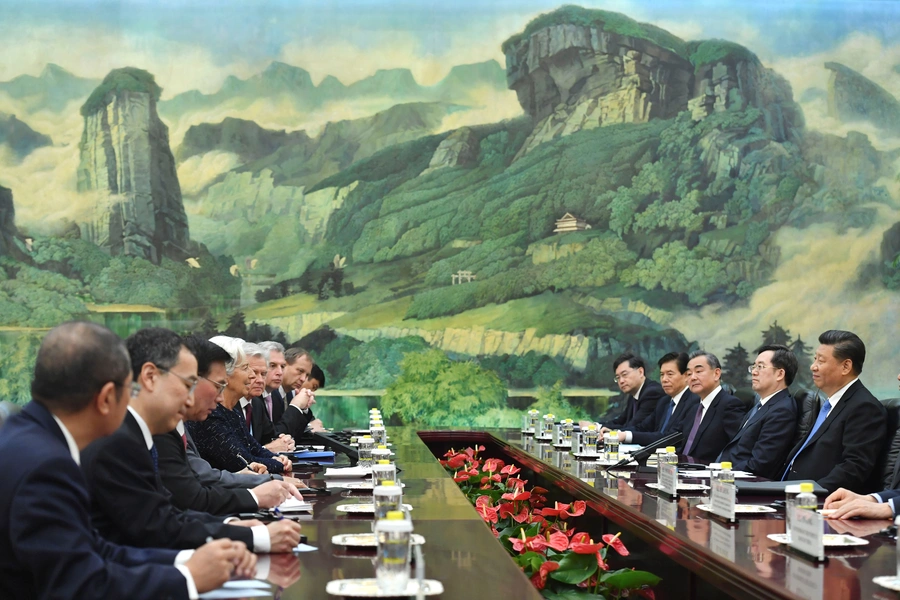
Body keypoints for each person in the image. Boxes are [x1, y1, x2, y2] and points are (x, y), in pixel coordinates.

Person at [0, 321, 255, 599]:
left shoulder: (27, 438)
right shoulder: (47, 466)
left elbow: (94, 549)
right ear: (108, 396)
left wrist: (184, 565)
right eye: (129, 391)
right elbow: (80, 585)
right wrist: (187, 578)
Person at [81, 328, 302, 553]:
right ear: (149, 377)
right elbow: (156, 526)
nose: (189, 400)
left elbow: (165, 513)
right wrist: (251, 534)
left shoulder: (140, 431)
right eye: (188, 385)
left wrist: (229, 526)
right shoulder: (118, 440)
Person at [155, 336, 301, 515]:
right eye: (188, 383)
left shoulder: (173, 424)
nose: (252, 377)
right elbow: (198, 487)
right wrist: (261, 488)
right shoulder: (159, 429)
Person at [779, 330, 886, 493]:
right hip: (788, 493)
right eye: (815, 359)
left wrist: (807, 493)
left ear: (846, 366)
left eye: (820, 361)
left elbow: (853, 468)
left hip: (817, 502)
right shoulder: (829, 404)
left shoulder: (864, 407)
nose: (813, 366)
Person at [188, 336, 293, 475]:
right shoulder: (210, 414)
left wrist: (279, 459)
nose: (252, 376)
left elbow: (254, 448)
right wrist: (278, 463)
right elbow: (241, 461)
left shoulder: (234, 411)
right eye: (246, 368)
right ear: (225, 373)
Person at [717, 345, 799, 479]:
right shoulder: (761, 404)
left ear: (780, 374)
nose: (754, 372)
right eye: (753, 367)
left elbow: (759, 464)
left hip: (743, 485)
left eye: (760, 367)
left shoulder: (782, 411)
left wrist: (721, 473)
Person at [616, 352, 700, 446]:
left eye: (670, 374)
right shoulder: (664, 402)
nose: (664, 379)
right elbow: (643, 427)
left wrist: (626, 436)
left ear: (686, 376)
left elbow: (671, 437)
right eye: (662, 374)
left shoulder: (694, 402)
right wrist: (616, 433)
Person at [680, 352, 746, 462]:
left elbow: (738, 448)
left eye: (699, 371)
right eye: (689, 374)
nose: (693, 377)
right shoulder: (693, 409)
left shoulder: (730, 405)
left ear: (716, 373)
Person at [238, 343, 294, 451]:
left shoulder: (256, 403)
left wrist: (286, 441)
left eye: (263, 374)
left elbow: (272, 436)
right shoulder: (226, 405)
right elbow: (234, 454)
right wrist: (266, 449)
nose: (259, 380)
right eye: (254, 373)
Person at [602, 353, 665, 432]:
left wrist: (610, 432)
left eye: (624, 375)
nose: (621, 381)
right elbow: (621, 421)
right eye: (618, 377)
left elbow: (634, 427)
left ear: (640, 372)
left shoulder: (652, 393)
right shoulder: (634, 394)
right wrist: (596, 426)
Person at [273, 346, 318, 438]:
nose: (303, 379)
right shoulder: (269, 394)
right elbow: (276, 435)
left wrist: (304, 408)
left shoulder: (290, 394)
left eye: (307, 375)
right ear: (283, 366)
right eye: (300, 371)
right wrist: (295, 406)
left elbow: (294, 435)